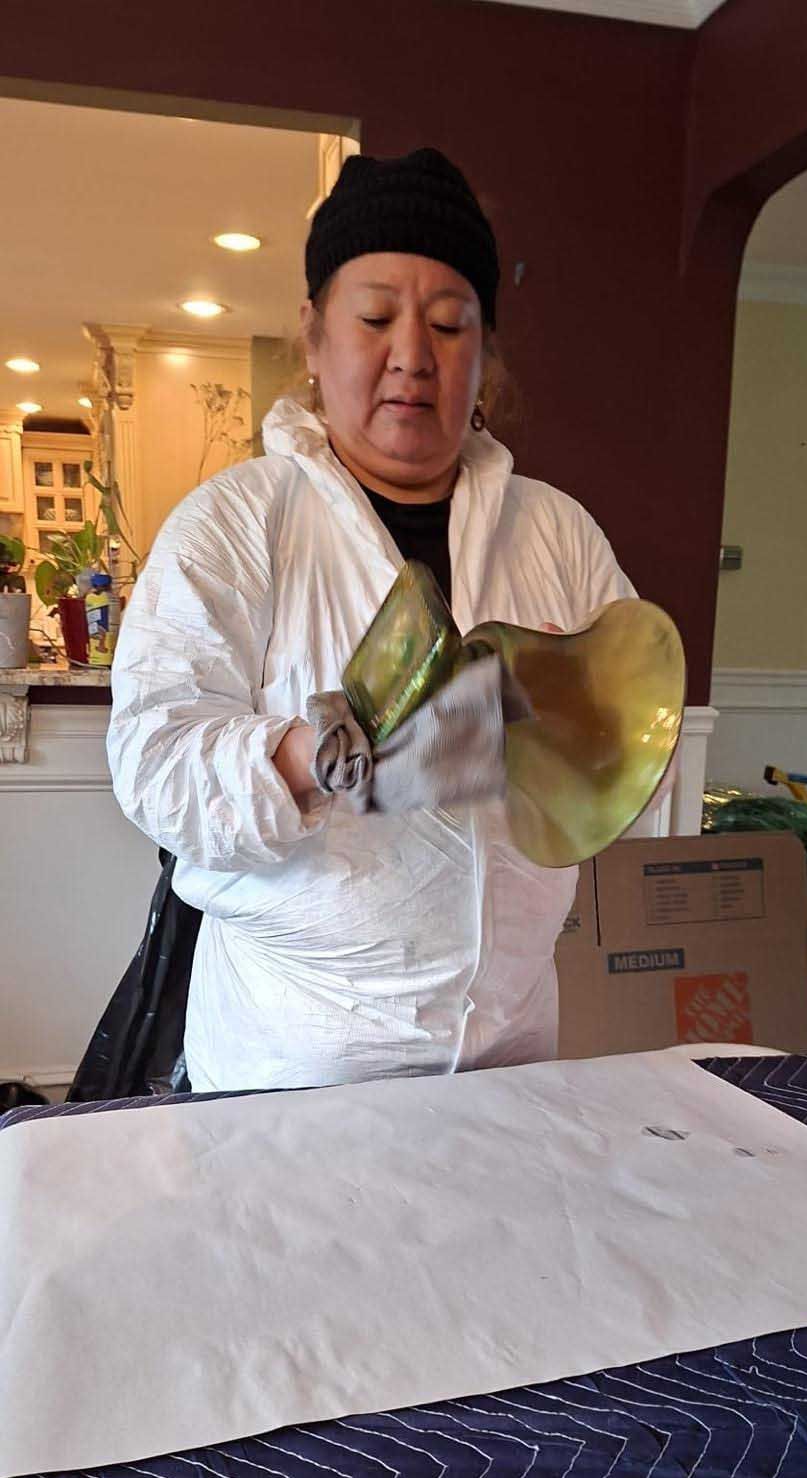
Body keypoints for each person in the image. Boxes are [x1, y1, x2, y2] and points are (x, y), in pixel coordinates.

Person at [107, 148, 635, 1093]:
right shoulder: (236, 523)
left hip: (511, 1054)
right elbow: (152, 761)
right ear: (313, 335)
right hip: (294, 1067)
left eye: (448, 323)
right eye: (376, 317)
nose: (412, 357)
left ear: (485, 350)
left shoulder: (556, 531)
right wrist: (305, 755)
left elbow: (627, 728)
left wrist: (556, 728)